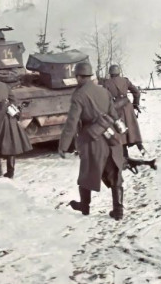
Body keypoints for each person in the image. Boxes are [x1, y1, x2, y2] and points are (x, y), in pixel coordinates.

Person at [58, 62, 126, 220]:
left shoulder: (78, 95)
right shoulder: (103, 91)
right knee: (114, 172)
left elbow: (72, 123)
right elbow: (114, 114)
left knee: (87, 172)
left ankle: (85, 206)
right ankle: (118, 210)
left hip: (91, 140)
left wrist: (63, 145)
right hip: (110, 136)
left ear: (79, 76)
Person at [101, 64, 146, 156]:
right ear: (119, 72)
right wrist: (135, 104)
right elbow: (136, 93)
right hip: (127, 107)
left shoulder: (106, 83)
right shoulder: (125, 81)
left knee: (120, 130)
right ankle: (141, 148)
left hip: (115, 109)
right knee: (133, 128)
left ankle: (125, 153)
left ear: (110, 73)